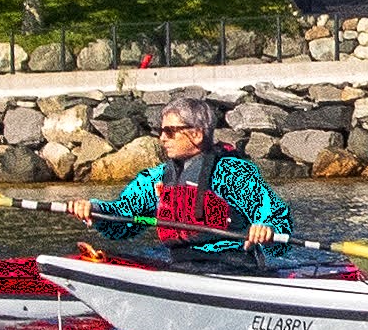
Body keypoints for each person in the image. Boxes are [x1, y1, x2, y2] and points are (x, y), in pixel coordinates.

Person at [68, 96, 295, 266]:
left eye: (170, 131)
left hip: (233, 270)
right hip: (181, 268)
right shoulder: (157, 177)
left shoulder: (232, 172)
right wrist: (94, 210)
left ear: (196, 134)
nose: (162, 138)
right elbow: (123, 217)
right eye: (161, 130)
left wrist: (266, 229)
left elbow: (276, 215)